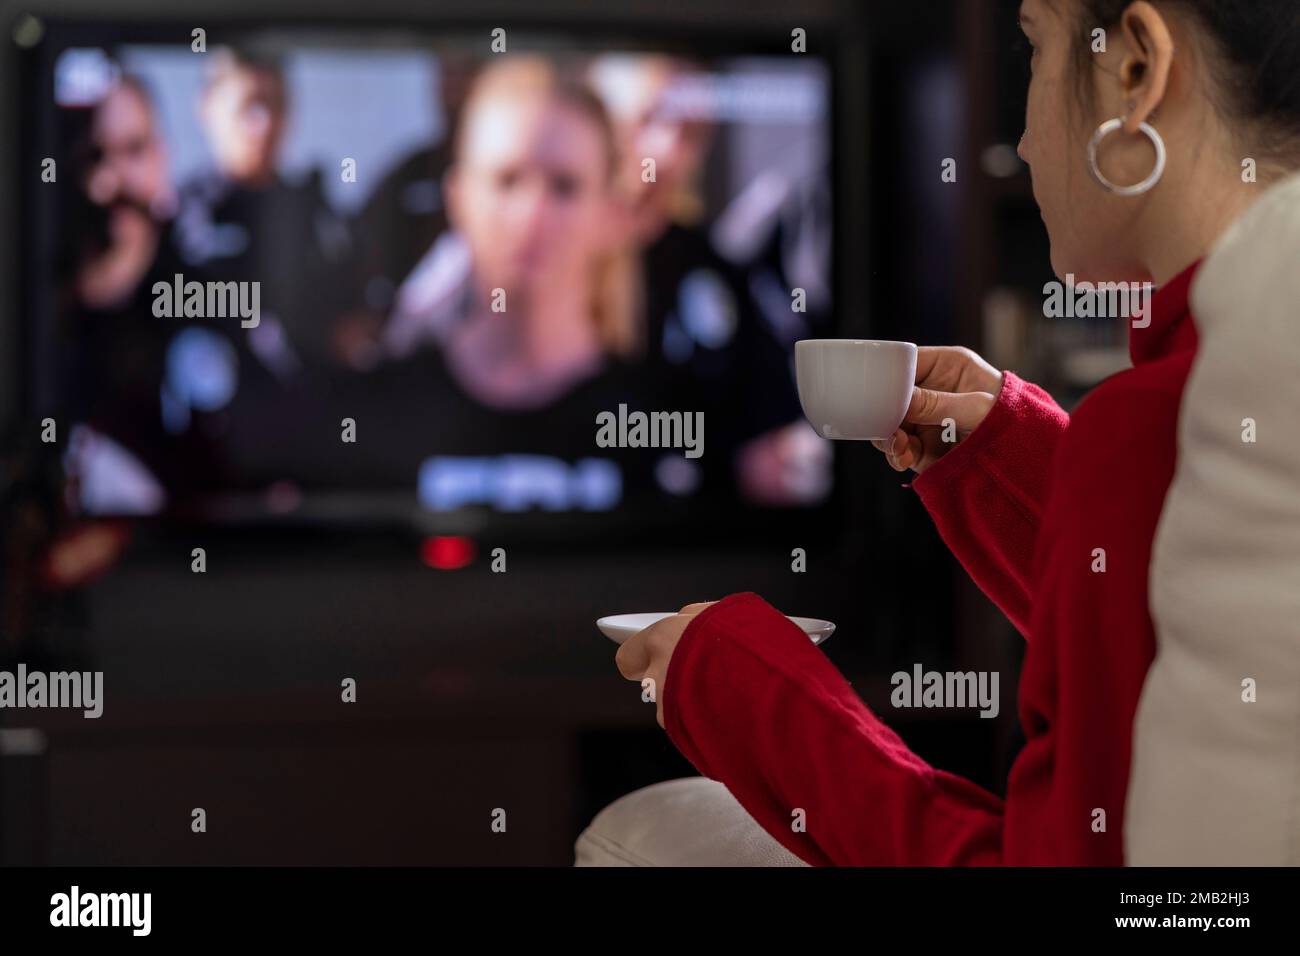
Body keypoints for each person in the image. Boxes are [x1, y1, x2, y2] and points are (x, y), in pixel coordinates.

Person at [581, 0, 1300, 865]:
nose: (1027, 143)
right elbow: (1178, 639)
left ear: (1138, 69)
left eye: (1035, 47)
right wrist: (1013, 451)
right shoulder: (1216, 403)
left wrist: (742, 685)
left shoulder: (1151, 423)